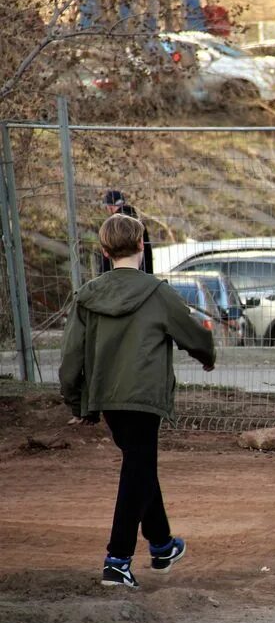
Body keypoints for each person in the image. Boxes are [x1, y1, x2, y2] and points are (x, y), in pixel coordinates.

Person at [59, 213, 216, 589]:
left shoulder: (88, 295)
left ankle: (162, 546)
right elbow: (191, 333)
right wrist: (206, 355)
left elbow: (71, 355)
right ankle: (117, 560)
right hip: (145, 397)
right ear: (142, 245)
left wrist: (75, 398)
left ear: (104, 250)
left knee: (139, 465)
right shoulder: (157, 292)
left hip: (107, 397)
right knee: (138, 469)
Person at [101, 190, 153, 274]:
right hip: (142, 275)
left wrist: (103, 275)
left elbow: (106, 259)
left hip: (116, 277)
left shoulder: (112, 225)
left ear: (110, 206)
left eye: (106, 207)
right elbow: (147, 253)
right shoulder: (139, 222)